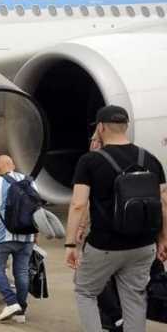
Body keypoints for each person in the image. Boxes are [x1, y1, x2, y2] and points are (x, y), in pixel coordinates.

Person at [66, 105, 167, 332]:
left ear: (100, 127)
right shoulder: (150, 159)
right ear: (126, 127)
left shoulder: (90, 161)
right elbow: (164, 203)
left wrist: (71, 243)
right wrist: (163, 239)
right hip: (143, 245)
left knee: (85, 290)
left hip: (105, 245)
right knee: (134, 297)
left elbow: (79, 203)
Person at [0, 155, 36, 323]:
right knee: (21, 272)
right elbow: (37, 209)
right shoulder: (29, 181)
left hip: (3, 236)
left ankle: (11, 302)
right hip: (27, 235)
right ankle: (21, 311)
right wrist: (35, 234)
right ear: (13, 165)